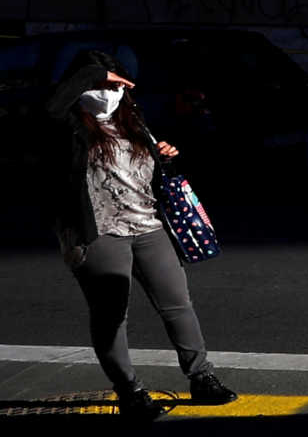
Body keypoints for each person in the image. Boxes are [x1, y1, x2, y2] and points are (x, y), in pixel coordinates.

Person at [47, 49, 238, 418]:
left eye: (114, 85)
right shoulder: (65, 126)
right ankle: (129, 391)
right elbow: (51, 108)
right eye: (100, 86)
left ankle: (202, 378)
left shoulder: (132, 121)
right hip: (100, 233)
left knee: (178, 305)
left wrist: (162, 155)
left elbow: (141, 172)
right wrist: (93, 74)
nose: (108, 94)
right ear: (81, 85)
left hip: (148, 226)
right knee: (111, 314)